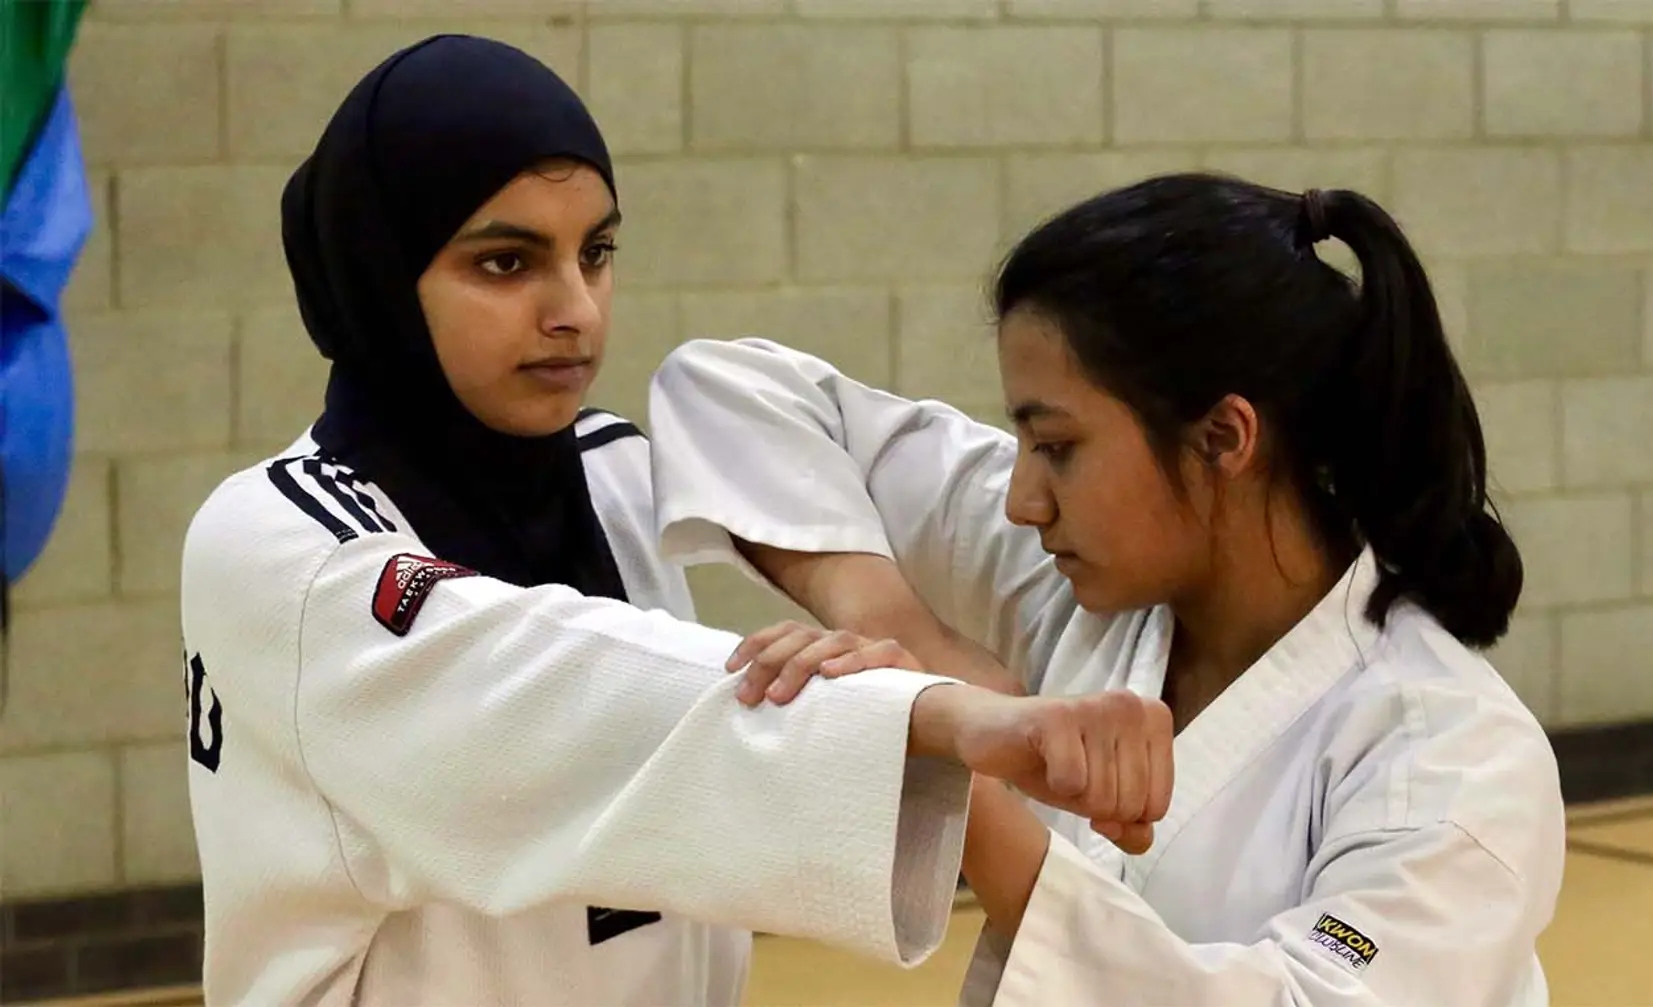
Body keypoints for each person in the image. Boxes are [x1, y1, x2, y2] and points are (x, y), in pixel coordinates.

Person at [177, 35, 1174, 1007]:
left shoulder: (612, 473)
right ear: (378, 275)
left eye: (596, 252)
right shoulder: (278, 543)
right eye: (505, 263)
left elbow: (752, 419)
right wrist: (937, 712)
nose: (575, 308)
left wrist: (880, 625)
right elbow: (563, 695)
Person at [646, 173, 1568, 1006]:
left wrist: (952, 765)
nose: (1020, 498)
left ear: (1223, 439)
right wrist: (905, 636)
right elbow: (726, 389)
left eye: (1057, 445)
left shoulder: (1446, 753)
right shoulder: (1074, 589)